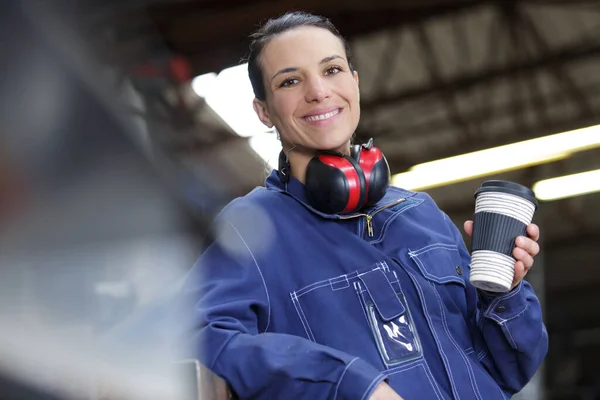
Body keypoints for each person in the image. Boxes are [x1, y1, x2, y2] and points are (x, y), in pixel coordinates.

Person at [181, 11, 548, 400]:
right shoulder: (250, 226)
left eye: (332, 70)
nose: (318, 91)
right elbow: (197, 337)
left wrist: (503, 296)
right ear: (264, 111)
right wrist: (349, 384)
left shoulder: (421, 213)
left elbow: (509, 370)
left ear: (355, 83)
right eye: (290, 80)